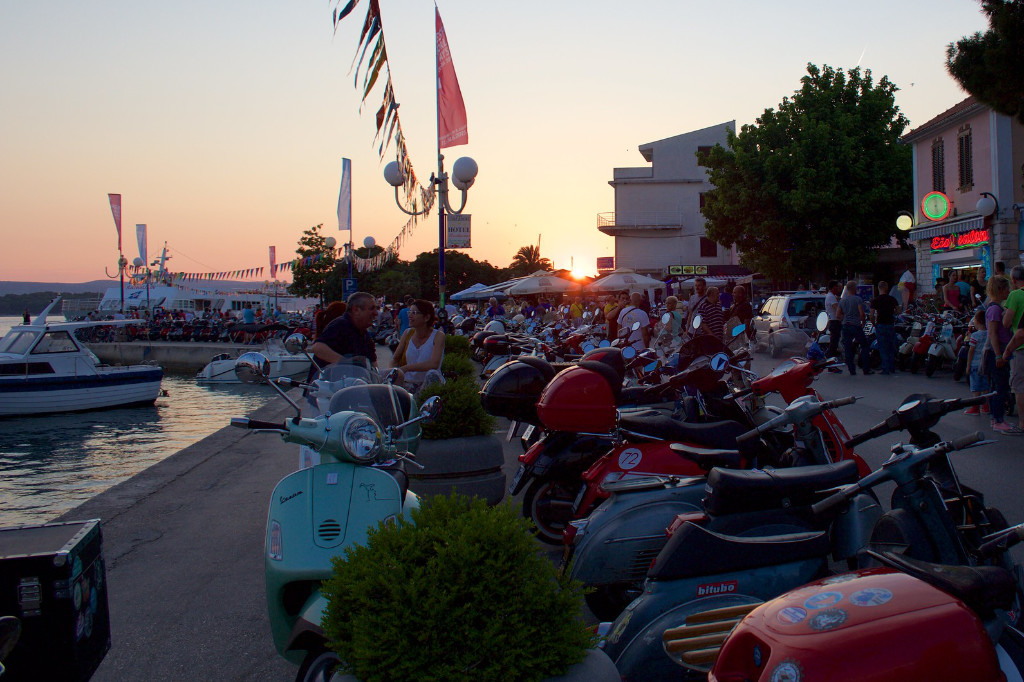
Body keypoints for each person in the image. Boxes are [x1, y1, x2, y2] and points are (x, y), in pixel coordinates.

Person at [308, 291, 379, 378]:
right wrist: (346, 363)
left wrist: (379, 378)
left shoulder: (363, 333)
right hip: (328, 387)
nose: (376, 313)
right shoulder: (341, 325)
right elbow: (318, 347)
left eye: (376, 308)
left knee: (398, 374)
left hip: (353, 386)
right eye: (372, 309)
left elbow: (373, 362)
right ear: (356, 309)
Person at [982, 275, 1018, 434]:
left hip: (999, 349)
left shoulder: (995, 307)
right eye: (1007, 289)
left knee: (997, 386)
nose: (1008, 292)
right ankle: (998, 419)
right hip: (998, 350)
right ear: (1001, 290)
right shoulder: (995, 309)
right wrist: (998, 355)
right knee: (1000, 386)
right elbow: (993, 334)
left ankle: (995, 417)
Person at [390, 299, 445, 393]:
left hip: (429, 387)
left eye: (414, 312)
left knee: (432, 373)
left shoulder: (438, 336)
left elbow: (434, 364)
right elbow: (395, 359)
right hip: (408, 385)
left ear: (426, 317)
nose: (410, 316)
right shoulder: (407, 333)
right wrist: (392, 376)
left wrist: (406, 368)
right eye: (409, 312)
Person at [1001, 265, 1024, 432]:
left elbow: (1006, 323)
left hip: (1020, 345)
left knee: (1019, 386)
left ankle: (1023, 423)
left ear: (1014, 281)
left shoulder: (1015, 295)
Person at [837, 281, 873, 375]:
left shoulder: (842, 300)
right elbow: (861, 313)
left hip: (846, 325)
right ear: (854, 289)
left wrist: (844, 319)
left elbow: (838, 314)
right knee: (864, 345)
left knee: (848, 348)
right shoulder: (857, 299)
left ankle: (851, 369)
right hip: (856, 325)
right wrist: (863, 323)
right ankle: (866, 368)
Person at [964, 309, 991, 415]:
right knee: (985, 386)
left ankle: (975, 407)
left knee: (975, 387)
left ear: (977, 321)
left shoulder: (975, 336)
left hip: (975, 364)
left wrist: (968, 365)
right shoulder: (989, 334)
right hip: (985, 363)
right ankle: (985, 406)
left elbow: (971, 351)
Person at [870, 281, 900, 375]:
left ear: (878, 288)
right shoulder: (892, 299)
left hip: (880, 324)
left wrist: (874, 323)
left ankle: (885, 368)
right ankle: (892, 367)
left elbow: (871, 315)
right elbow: (898, 310)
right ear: (886, 288)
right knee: (891, 346)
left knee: (883, 347)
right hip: (890, 324)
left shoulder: (875, 300)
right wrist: (893, 313)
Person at [824, 280, 843, 363]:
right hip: (835, 321)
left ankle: (832, 357)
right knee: (834, 342)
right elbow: (836, 308)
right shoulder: (831, 296)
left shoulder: (832, 296)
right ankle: (831, 360)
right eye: (837, 287)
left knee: (835, 341)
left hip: (834, 321)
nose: (839, 289)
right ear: (833, 287)